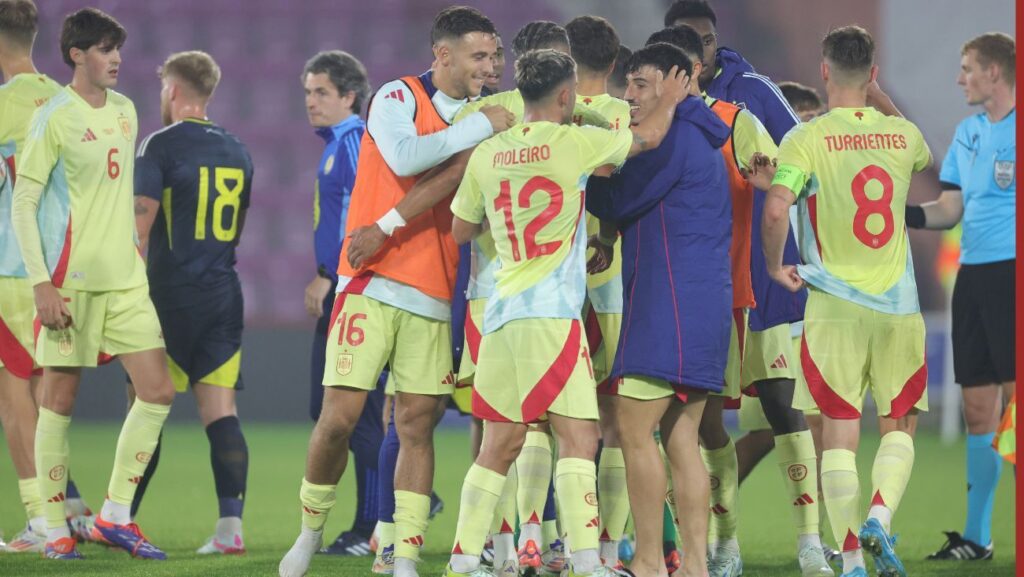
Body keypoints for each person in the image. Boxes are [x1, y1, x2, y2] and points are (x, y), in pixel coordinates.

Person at [278, 7, 514, 577]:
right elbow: (408, 157)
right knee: (339, 417)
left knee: (415, 423)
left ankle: (403, 555)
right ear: (443, 56)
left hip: (436, 290)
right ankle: (310, 531)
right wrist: (482, 130)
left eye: (494, 56)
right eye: (478, 56)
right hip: (373, 277)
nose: (490, 67)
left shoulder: (488, 110)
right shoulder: (397, 97)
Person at [442, 46, 686, 577]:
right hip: (551, 314)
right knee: (580, 437)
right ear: (564, 94)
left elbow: (460, 230)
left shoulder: (490, 152)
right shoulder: (573, 143)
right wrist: (669, 97)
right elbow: (647, 139)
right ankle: (584, 561)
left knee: (499, 443)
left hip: (501, 312)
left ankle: (462, 561)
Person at [648, 24, 831, 577]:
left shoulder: (739, 117)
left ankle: (810, 544)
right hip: (693, 294)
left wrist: (771, 182)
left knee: (780, 404)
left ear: (692, 71)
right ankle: (726, 544)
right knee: (700, 424)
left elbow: (790, 182)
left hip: (751, 287)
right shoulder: (647, 128)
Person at [762, 25, 932, 577]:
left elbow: (775, 207)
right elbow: (922, 155)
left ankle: (853, 558)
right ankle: (881, 515)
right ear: (875, 74)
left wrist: (773, 266)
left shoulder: (805, 137)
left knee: (837, 431)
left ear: (825, 71)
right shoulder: (903, 137)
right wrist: (880, 100)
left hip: (832, 304)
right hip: (898, 307)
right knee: (898, 424)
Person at [11, 7, 175, 560]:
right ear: (77, 54)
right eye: (106, 50)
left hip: (126, 281)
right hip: (70, 283)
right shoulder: (53, 117)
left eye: (119, 50)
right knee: (58, 401)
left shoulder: (127, 111)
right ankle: (53, 527)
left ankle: (114, 517)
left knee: (157, 392)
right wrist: (41, 283)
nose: (117, 61)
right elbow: (25, 204)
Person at [587, 41, 730, 577]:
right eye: (628, 86)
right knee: (680, 437)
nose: (630, 97)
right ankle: (693, 566)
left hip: (669, 302)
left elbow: (621, 200)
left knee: (631, 423)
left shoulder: (679, 136)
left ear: (680, 79)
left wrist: (579, 171)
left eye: (642, 85)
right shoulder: (701, 133)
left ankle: (648, 560)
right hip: (697, 305)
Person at [130, 50, 253, 555]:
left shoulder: (159, 144)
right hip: (223, 294)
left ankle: (122, 517)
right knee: (221, 414)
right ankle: (230, 530)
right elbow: (237, 230)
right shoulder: (238, 148)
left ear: (174, 91)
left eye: (163, 89)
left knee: (144, 411)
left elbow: (139, 227)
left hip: (167, 297)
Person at [904, 32, 1015, 562]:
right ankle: (977, 536)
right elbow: (951, 209)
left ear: (994, 72)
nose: (959, 78)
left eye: (967, 68)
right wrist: (905, 217)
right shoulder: (968, 133)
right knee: (978, 410)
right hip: (973, 276)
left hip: (1013, 275)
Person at [0, 0, 102, 553]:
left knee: (14, 394)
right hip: (71, 263)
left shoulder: (6, 105)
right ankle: (66, 508)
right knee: (45, 388)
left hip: (16, 266)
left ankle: (43, 520)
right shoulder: (68, 100)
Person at [299, 49, 385, 557]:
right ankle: (391, 505)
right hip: (338, 286)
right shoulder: (336, 143)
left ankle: (369, 527)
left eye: (321, 92)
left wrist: (331, 275)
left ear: (349, 96)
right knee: (328, 410)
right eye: (308, 92)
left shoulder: (353, 142)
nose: (310, 101)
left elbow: (365, 213)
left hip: (351, 291)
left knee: (359, 414)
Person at [563, 16, 632, 572]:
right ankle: (608, 549)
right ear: (615, 65)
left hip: (550, 289)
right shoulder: (626, 118)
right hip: (611, 284)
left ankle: (528, 541)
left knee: (538, 417)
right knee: (615, 420)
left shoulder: (542, 116)